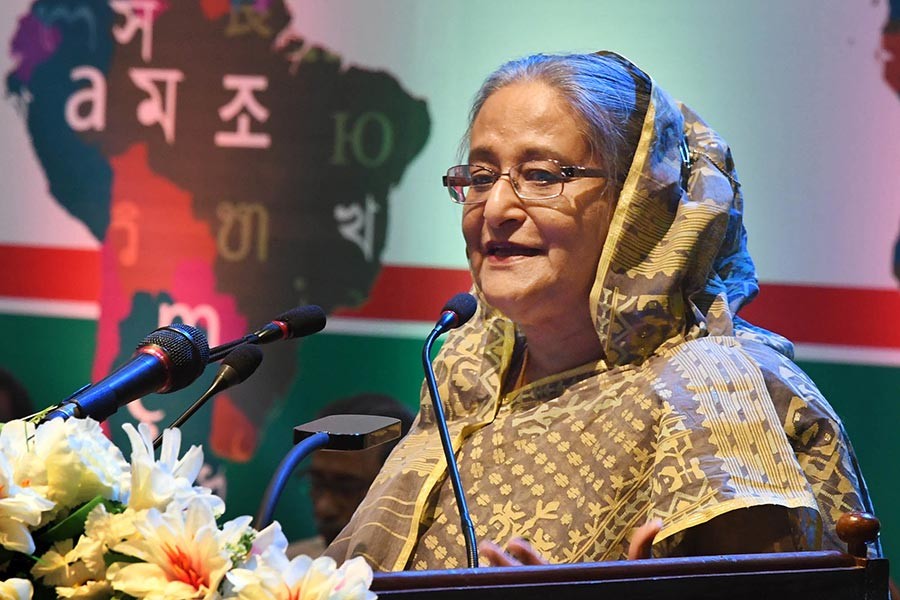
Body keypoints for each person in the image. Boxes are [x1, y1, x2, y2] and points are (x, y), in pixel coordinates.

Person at [324, 51, 875, 571]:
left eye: (541, 176)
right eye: (482, 176)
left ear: (638, 206)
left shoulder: (720, 394)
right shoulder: (466, 377)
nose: (494, 208)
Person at [287, 393, 415, 558]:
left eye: (346, 488)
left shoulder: (430, 572)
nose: (324, 507)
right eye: (317, 483)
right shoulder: (286, 571)